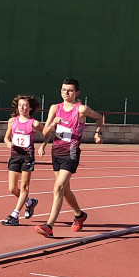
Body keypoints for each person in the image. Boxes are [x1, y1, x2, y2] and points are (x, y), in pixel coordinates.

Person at [35, 78, 105, 238]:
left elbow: (99, 117)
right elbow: (45, 132)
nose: (66, 93)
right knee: (65, 190)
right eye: (63, 90)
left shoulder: (81, 109)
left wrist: (97, 133)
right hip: (57, 151)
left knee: (58, 187)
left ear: (77, 93)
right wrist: (52, 125)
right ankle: (79, 215)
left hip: (71, 152)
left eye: (70, 90)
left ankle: (49, 226)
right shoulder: (55, 108)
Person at [1, 95, 43, 226]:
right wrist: (9, 144)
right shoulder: (12, 121)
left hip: (27, 158)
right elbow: (6, 138)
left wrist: (43, 145)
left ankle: (14, 215)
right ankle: (30, 202)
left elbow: (47, 133)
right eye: (20, 105)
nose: (22, 108)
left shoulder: (34, 123)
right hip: (14, 156)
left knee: (24, 187)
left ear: (30, 108)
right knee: (12, 188)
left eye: (25, 105)